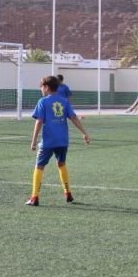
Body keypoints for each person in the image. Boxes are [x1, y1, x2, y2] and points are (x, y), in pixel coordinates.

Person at [27, 75, 90, 206]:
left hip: (48, 142)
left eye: (41, 87)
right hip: (63, 140)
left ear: (46, 87)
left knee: (39, 166)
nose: (41, 90)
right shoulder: (64, 101)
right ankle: (68, 193)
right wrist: (84, 133)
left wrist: (33, 141)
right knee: (61, 164)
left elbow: (39, 121)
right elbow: (73, 117)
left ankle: (34, 197)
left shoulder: (43, 102)